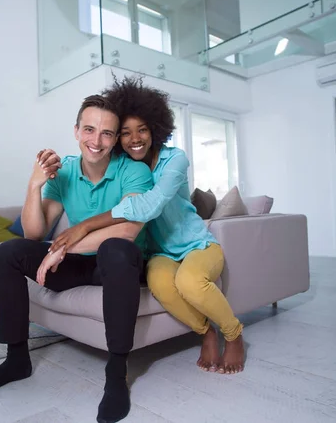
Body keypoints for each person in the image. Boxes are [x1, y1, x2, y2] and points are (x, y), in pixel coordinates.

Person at [0, 94, 153, 423]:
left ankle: (116, 374)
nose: (96, 141)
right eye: (89, 130)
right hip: (82, 263)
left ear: (115, 139)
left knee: (116, 248)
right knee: (9, 251)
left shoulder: (135, 171)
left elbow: (127, 230)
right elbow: (34, 233)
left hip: (118, 264)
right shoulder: (65, 170)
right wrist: (34, 185)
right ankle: (16, 359)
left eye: (107, 133)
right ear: (76, 130)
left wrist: (63, 248)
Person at [48, 76, 245, 374]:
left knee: (189, 282)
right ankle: (206, 332)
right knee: (162, 285)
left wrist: (85, 225)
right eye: (125, 133)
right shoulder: (127, 169)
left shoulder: (175, 160)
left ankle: (234, 334)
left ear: (156, 128)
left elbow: (148, 205)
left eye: (142, 129)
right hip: (159, 254)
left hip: (196, 246)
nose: (135, 138)